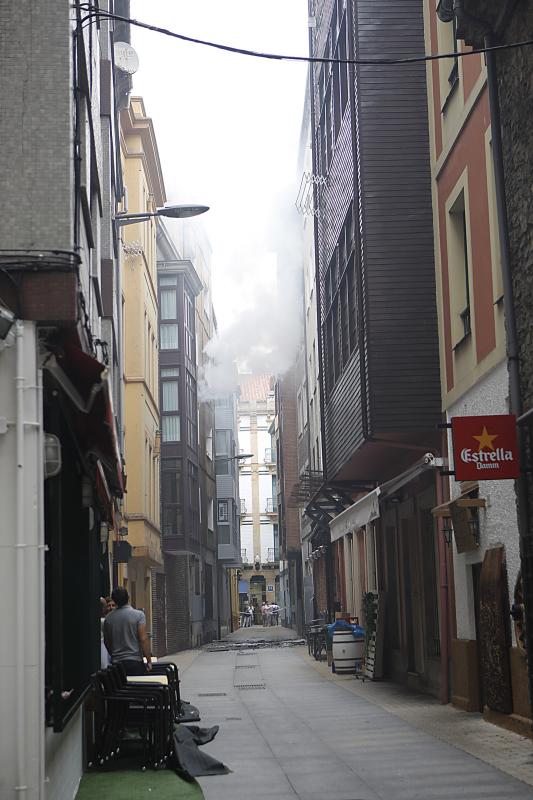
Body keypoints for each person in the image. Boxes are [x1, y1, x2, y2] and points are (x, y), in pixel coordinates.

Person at [103, 587, 152, 675]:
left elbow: (107, 641)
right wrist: (149, 660)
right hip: (135, 662)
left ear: (114, 600)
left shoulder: (108, 619)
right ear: (128, 598)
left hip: (116, 664)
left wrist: (114, 654)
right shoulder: (139, 615)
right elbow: (143, 639)